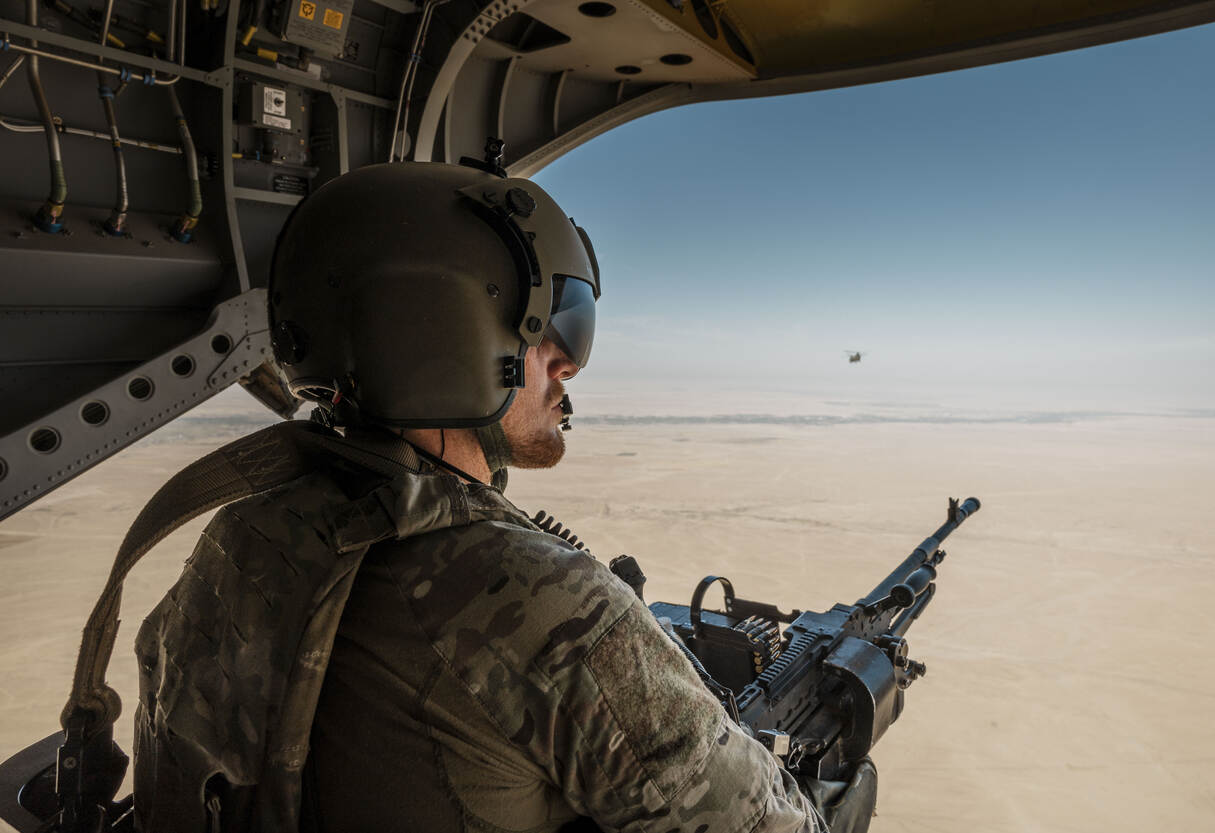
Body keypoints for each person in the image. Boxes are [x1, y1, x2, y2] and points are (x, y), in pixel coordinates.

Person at [133, 160, 877, 833]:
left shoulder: (248, 530)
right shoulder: (544, 603)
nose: (568, 365)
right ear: (446, 327)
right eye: (555, 326)